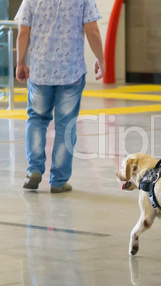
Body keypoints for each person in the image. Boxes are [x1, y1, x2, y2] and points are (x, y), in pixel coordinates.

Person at [16, 0, 105, 193]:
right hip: (71, 72)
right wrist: (101, 58)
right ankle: (58, 181)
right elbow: (92, 30)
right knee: (66, 125)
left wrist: (21, 62)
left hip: (40, 72)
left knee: (37, 119)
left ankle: (33, 170)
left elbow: (24, 32)